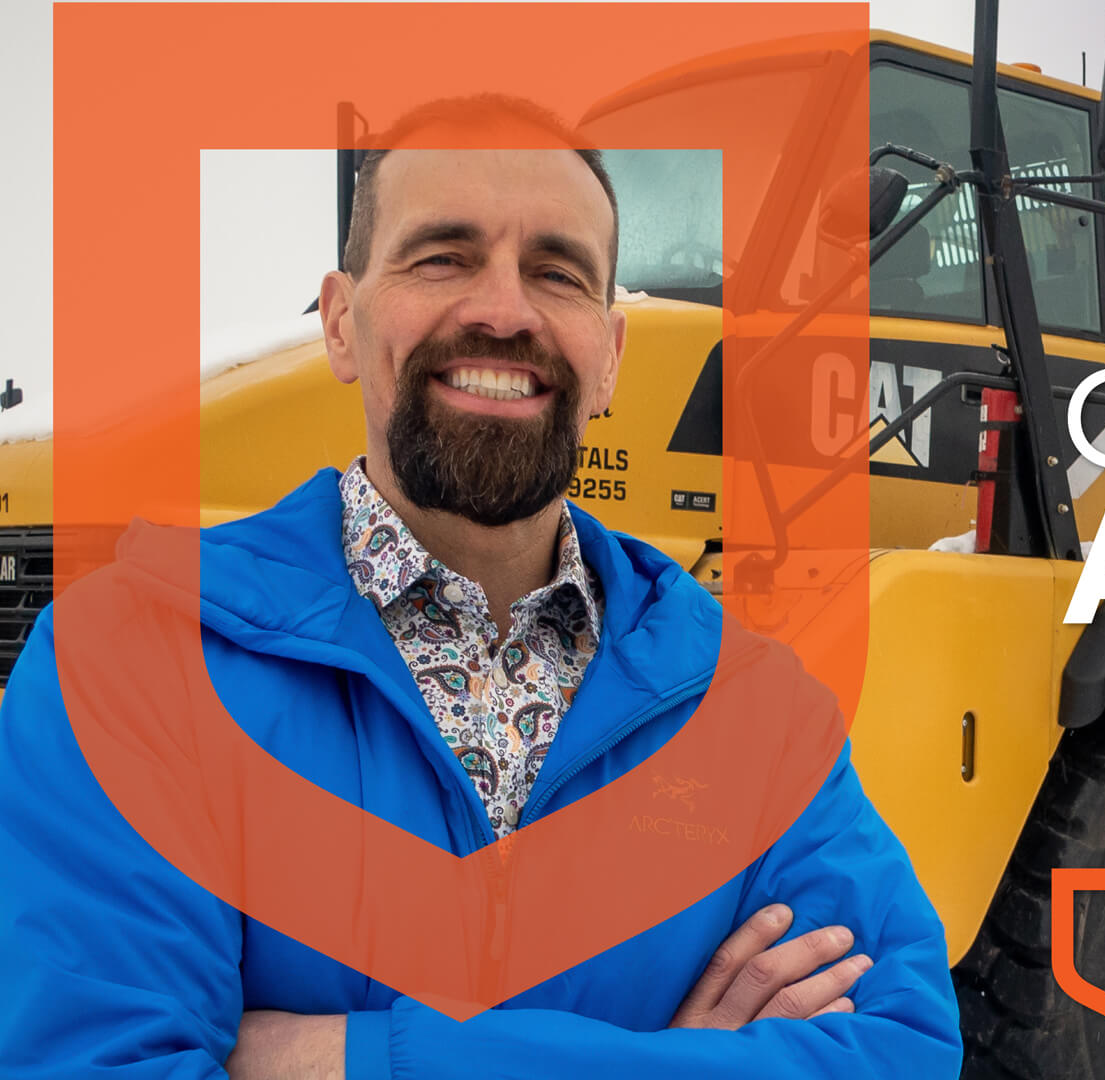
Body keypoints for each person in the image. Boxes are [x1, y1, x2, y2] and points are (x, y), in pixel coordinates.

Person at [0, 95, 961, 1079]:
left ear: (610, 359)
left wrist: (340, 1057)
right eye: (442, 258)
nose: (504, 312)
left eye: (558, 272)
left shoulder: (752, 708)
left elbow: (901, 1050)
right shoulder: (129, 663)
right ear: (339, 323)